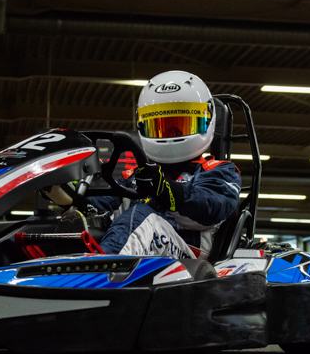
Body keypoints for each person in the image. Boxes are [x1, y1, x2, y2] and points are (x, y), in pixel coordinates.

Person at [87, 71, 242, 259]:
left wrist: (167, 190)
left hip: (190, 259)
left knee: (141, 215)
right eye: (160, 126)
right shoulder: (135, 176)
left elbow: (210, 207)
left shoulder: (218, 170)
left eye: (181, 125)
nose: (171, 135)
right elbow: (103, 205)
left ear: (206, 120)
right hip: (143, 255)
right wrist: (71, 196)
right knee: (85, 222)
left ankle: (98, 275)